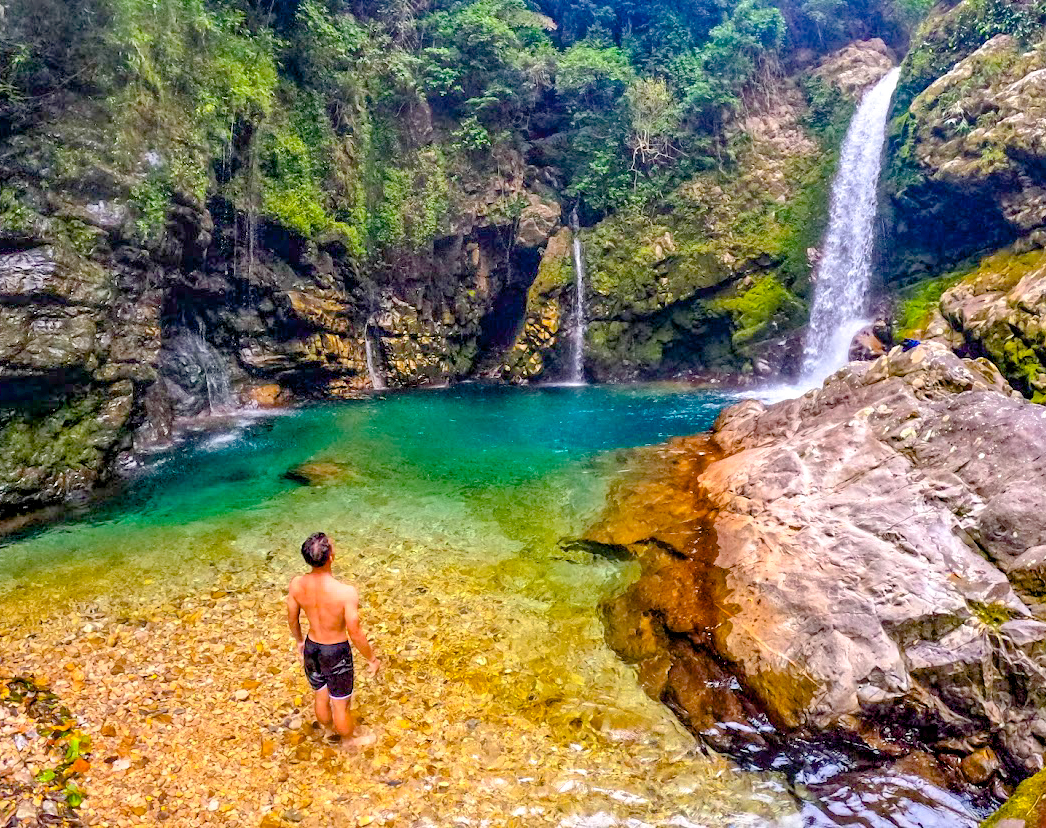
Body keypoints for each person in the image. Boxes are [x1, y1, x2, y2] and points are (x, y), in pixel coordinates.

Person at [286, 532, 381, 743]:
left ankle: (328, 731)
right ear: (330, 557)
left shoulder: (296, 585)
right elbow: (355, 631)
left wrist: (299, 641)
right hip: (335, 651)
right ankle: (349, 741)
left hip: (312, 648)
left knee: (320, 695)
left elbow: (292, 618)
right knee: (340, 704)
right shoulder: (345, 592)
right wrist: (371, 659)